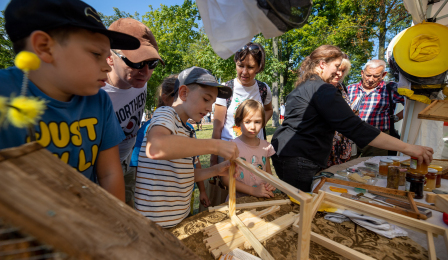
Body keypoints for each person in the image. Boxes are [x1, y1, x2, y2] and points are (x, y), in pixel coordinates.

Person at [0, 0, 142, 202]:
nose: (107, 67)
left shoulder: (99, 100)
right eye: (96, 54)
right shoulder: (4, 92)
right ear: (44, 47)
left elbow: (109, 173)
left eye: (108, 56)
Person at [271, 45, 433, 192]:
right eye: (336, 66)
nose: (338, 72)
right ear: (322, 64)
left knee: (295, 199)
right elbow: (355, 128)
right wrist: (409, 148)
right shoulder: (322, 89)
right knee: (302, 202)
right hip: (300, 158)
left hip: (285, 153)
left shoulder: (306, 85)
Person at [134, 66, 239, 228]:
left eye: (212, 102)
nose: (209, 108)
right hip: (153, 224)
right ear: (183, 93)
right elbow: (156, 147)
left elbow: (185, 174)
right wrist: (215, 145)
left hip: (180, 219)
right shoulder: (165, 114)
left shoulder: (188, 131)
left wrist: (217, 170)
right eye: (206, 99)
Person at [102, 18, 163, 207]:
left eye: (152, 63)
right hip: (102, 168)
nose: (145, 71)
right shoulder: (97, 92)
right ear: (110, 57)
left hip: (128, 159)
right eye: (136, 62)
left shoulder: (139, 84)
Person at [130, 74, 211, 210]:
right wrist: (214, 146)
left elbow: (193, 167)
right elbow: (139, 167)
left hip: (181, 206)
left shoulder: (189, 130)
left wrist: (204, 188)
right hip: (154, 210)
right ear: (166, 98)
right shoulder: (148, 129)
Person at [210, 42, 273, 206]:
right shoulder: (226, 89)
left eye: (251, 67)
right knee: (227, 201)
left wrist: (257, 126)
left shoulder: (263, 89)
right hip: (229, 156)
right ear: (235, 63)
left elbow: (268, 110)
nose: (244, 72)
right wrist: (213, 160)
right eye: (240, 65)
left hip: (254, 155)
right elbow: (217, 126)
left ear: (259, 67)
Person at [347, 59, 405, 157]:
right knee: (347, 168)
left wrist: (395, 118)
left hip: (378, 138)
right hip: (352, 137)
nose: (370, 79)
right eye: (368, 75)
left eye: (376, 76)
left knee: (373, 168)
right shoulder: (350, 89)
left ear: (383, 75)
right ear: (362, 73)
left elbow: (411, 105)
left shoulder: (390, 89)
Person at [221, 99, 276, 199]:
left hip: (261, 201)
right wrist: (253, 191)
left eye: (257, 122)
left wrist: (271, 183)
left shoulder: (266, 146)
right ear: (239, 122)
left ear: (263, 123)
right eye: (247, 122)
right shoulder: (231, 146)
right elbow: (225, 179)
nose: (253, 127)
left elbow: (268, 173)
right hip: (238, 202)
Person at [327, 54, 353, 167]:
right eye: (337, 69)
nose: (340, 74)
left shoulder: (342, 87)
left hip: (341, 144)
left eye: (343, 71)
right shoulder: (317, 87)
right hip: (325, 145)